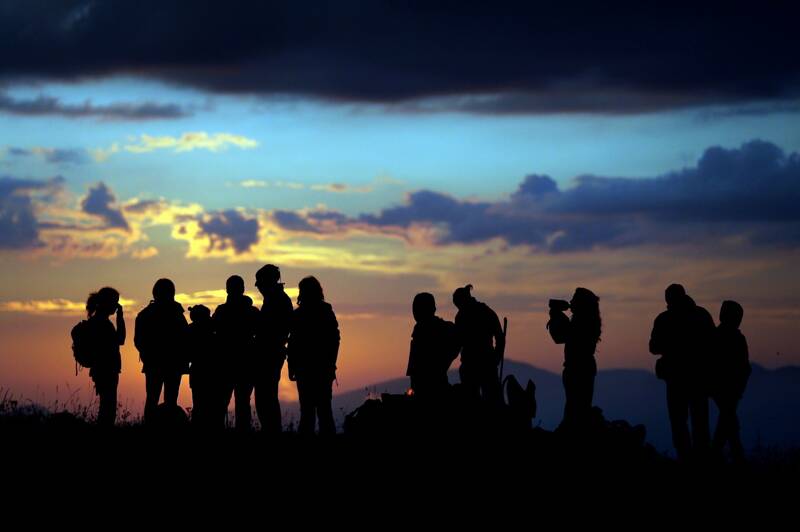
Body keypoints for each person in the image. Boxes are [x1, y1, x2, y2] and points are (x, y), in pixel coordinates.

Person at [649, 284, 716, 462]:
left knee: (679, 421)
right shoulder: (701, 315)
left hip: (677, 378)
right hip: (697, 377)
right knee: (699, 420)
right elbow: (713, 345)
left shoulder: (664, 319)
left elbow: (654, 347)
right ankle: (701, 459)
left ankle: (686, 459)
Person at [287, 276, 340, 436]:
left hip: (306, 369)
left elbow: (293, 344)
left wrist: (292, 367)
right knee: (324, 410)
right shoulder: (325, 311)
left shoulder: (299, 315)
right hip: (322, 368)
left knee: (308, 412)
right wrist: (331, 363)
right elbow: (335, 339)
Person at [134, 278, 189, 424]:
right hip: (172, 365)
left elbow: (138, 341)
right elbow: (185, 338)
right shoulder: (177, 313)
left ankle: (151, 428)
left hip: (156, 364)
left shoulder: (145, 314)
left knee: (153, 399)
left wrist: (148, 356)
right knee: (168, 401)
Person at [547, 288, 601, 432]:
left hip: (578, 369)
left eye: (574, 300)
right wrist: (557, 316)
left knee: (575, 409)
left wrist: (556, 316)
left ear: (581, 304)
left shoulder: (583, 322)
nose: (571, 303)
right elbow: (562, 336)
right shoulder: (588, 320)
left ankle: (572, 436)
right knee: (578, 407)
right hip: (582, 368)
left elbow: (560, 336)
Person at [213, 275, 260, 431]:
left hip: (226, 363)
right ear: (243, 289)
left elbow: (212, 333)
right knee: (242, 403)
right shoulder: (252, 312)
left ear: (227, 289)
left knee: (222, 402)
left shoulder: (221, 311)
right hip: (245, 363)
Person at [253, 264, 293, 434]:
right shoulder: (275, 299)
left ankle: (272, 431)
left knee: (266, 396)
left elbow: (277, 330)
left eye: (260, 284)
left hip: (270, 354)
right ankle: (271, 430)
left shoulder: (278, 300)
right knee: (266, 396)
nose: (259, 288)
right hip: (270, 353)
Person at [710, 300, 751, 463]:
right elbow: (744, 367)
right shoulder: (736, 338)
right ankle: (727, 457)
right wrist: (739, 387)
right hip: (729, 389)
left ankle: (716, 456)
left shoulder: (715, 336)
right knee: (729, 423)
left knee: (728, 422)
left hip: (722, 389)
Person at [452, 285, 504, 404]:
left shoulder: (462, 316)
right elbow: (500, 338)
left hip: (478, 365)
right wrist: (496, 358)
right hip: (480, 364)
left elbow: (458, 342)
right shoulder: (486, 312)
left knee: (478, 403)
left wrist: (496, 358)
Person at [406, 292, 459, 401]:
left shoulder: (440, 329)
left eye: (417, 308)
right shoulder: (420, 332)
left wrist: (443, 362)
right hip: (426, 389)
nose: (414, 313)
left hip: (433, 390)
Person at [84, 287, 125, 427]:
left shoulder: (98, 321)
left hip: (102, 369)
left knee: (106, 406)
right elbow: (120, 339)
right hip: (106, 369)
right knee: (108, 408)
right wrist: (120, 317)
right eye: (115, 302)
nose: (117, 306)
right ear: (107, 303)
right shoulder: (102, 323)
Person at [187, 304, 223, 430]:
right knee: (212, 405)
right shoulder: (214, 331)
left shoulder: (190, 330)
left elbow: (186, 353)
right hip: (212, 372)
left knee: (199, 405)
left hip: (198, 371)